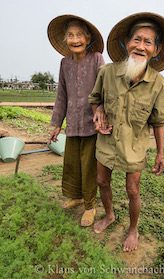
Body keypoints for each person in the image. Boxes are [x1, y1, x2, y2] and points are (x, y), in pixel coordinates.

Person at [88, 12, 164, 251]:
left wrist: (160, 153)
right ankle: (109, 215)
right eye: (136, 39)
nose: (141, 46)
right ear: (126, 43)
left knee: (132, 190)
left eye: (148, 42)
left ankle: (133, 229)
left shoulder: (158, 84)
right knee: (101, 181)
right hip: (106, 140)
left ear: (156, 50)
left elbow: (158, 121)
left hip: (134, 146)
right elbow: (95, 99)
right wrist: (97, 112)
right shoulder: (107, 72)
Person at [47, 14, 105, 227]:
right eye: (70, 35)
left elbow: (104, 88)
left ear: (88, 38)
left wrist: (101, 110)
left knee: (89, 166)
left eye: (80, 34)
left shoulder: (97, 58)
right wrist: (55, 125)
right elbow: (61, 95)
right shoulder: (64, 64)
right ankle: (76, 196)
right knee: (72, 164)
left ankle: (90, 205)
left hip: (92, 124)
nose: (75, 39)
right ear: (65, 40)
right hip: (73, 123)